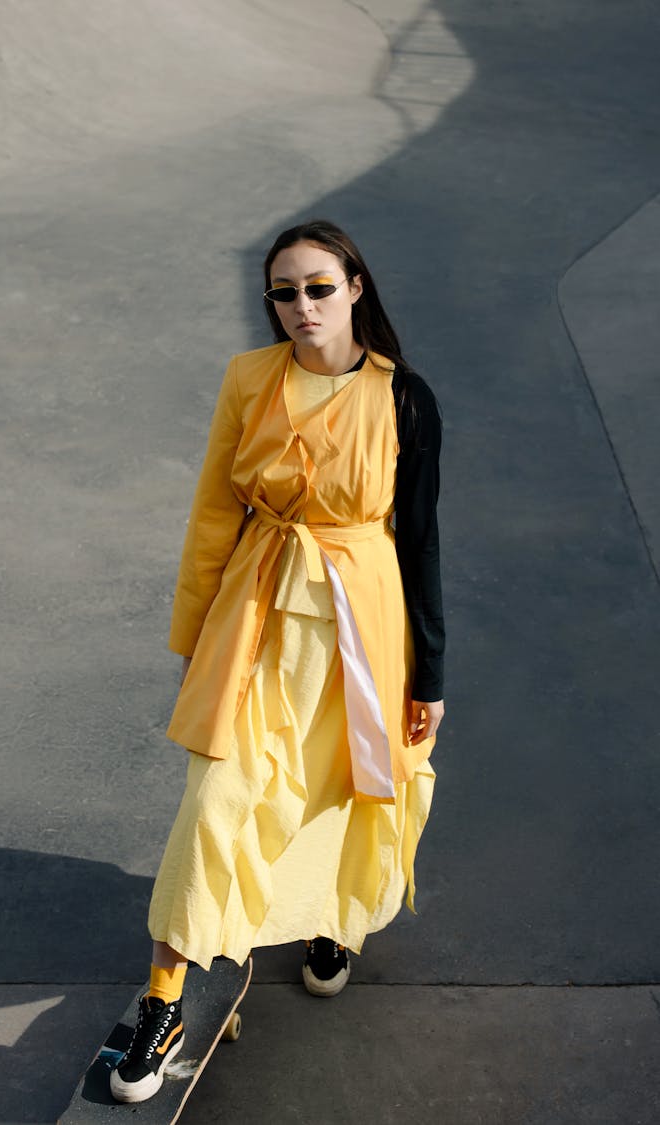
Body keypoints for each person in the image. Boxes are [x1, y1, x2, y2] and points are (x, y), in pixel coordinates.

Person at [110, 219, 445, 1104]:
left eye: (318, 287)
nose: (302, 306)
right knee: (216, 798)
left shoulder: (404, 398)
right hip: (257, 611)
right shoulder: (248, 380)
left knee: (343, 780)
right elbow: (213, 514)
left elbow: (419, 543)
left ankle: (334, 916)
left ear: (356, 288)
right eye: (285, 292)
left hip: (363, 622)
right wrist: (192, 641)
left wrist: (431, 676)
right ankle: (164, 998)